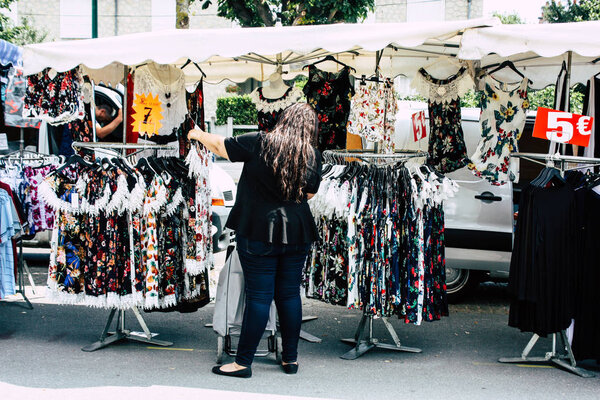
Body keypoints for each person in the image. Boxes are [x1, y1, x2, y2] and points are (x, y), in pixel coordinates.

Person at [188, 103, 322, 378]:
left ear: (283, 119)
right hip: (297, 231)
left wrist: (198, 134)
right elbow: (309, 194)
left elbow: (220, 146)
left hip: (258, 229)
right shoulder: (311, 154)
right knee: (288, 295)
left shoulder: (259, 142)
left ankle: (243, 362)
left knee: (259, 297)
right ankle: (290, 360)